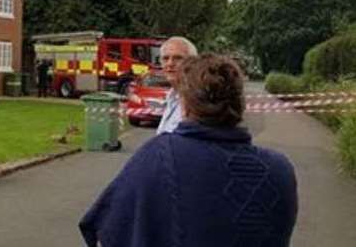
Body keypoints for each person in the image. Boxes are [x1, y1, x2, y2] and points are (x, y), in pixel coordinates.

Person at [79, 54, 298, 247]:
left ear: (185, 104)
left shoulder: (160, 155)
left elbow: (109, 229)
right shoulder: (280, 170)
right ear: (240, 104)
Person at [156, 36, 198, 134]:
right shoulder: (172, 97)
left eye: (178, 58)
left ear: (194, 62)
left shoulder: (199, 101)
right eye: (165, 58)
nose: (170, 63)